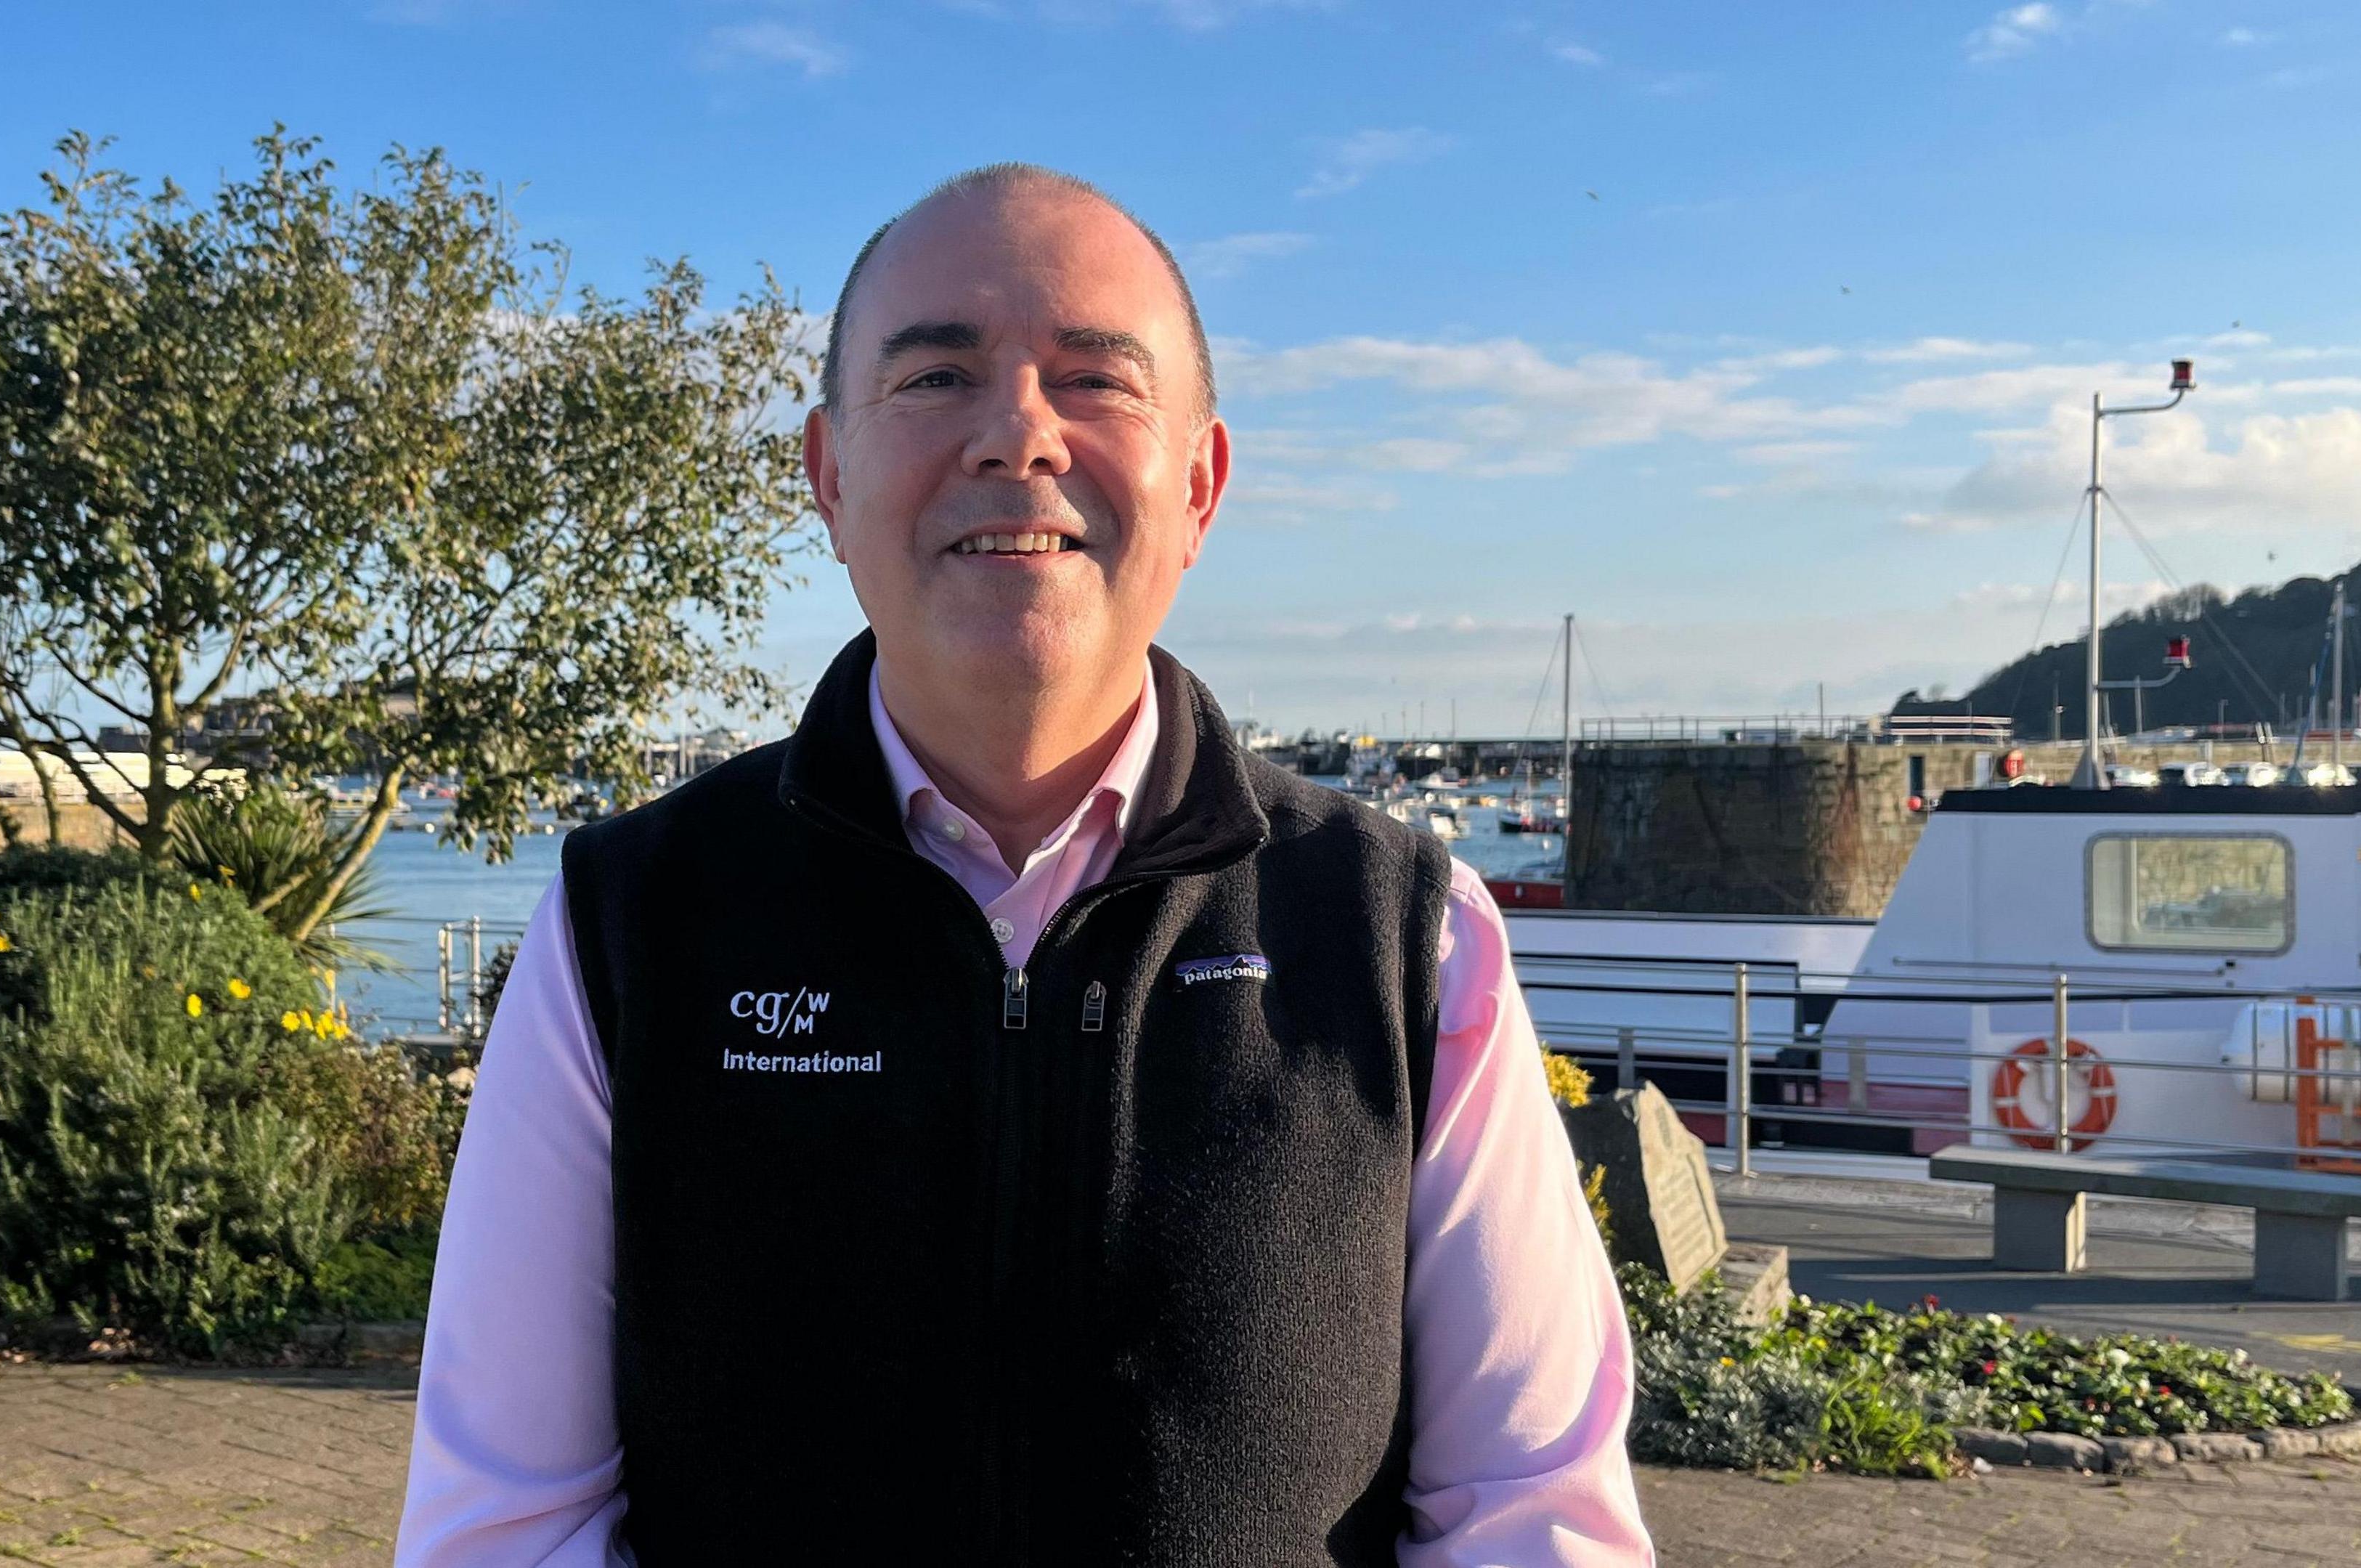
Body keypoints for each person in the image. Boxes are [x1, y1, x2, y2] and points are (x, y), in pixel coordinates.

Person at [396, 163, 1651, 1567]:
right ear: (827, 471)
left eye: (1096, 381)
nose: (1019, 436)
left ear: (1200, 484)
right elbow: (506, 1528)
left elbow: (1531, 1516)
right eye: (936, 377)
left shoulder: (1402, 933)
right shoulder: (630, 924)